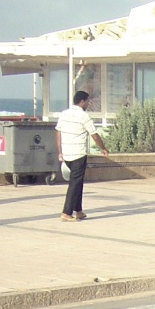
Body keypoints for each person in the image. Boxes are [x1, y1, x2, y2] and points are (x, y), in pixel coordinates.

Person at [55, 90, 108, 222]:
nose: (88, 104)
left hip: (66, 153)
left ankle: (78, 211)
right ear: (82, 101)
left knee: (78, 183)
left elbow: (58, 133)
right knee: (74, 183)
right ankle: (66, 212)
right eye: (87, 102)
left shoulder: (64, 114)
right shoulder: (83, 116)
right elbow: (94, 134)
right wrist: (103, 148)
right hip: (78, 154)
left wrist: (60, 151)